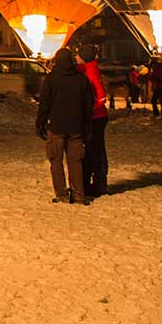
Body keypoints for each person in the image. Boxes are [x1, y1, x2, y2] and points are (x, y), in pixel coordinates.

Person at [36, 48, 94, 206]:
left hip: (56, 126)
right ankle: (79, 195)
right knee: (76, 161)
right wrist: (87, 124)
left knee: (55, 160)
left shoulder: (51, 79)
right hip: (76, 126)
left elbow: (44, 103)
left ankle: (61, 194)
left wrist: (40, 122)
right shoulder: (81, 79)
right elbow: (89, 103)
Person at [76, 45, 109, 198]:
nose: (76, 57)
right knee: (93, 149)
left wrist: (91, 109)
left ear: (84, 57)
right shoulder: (88, 69)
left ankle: (98, 185)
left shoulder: (90, 72)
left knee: (95, 150)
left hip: (96, 117)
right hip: (96, 116)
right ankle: (96, 183)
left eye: (78, 55)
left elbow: (101, 95)